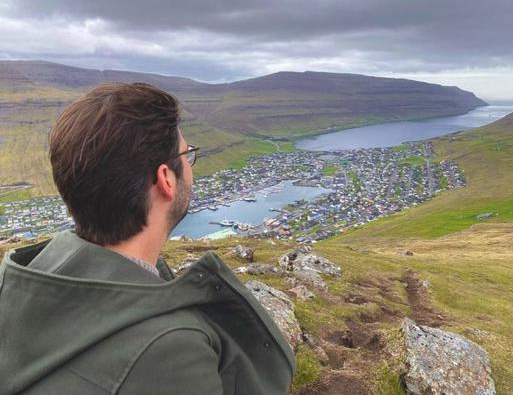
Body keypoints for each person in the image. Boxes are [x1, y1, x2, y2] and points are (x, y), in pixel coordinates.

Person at [0, 83, 295, 394]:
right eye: (187, 154)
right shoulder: (173, 354)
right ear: (166, 179)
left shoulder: (14, 281)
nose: (190, 166)